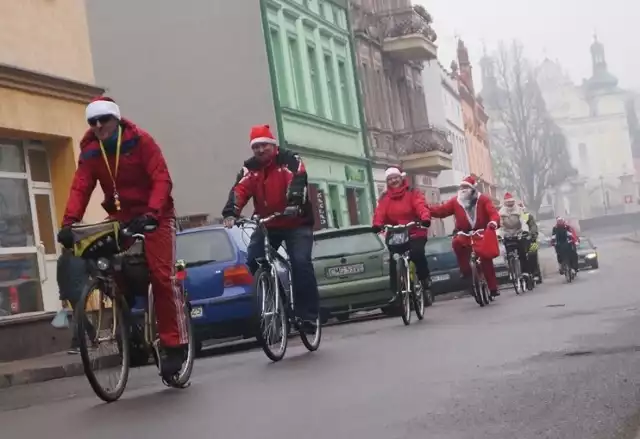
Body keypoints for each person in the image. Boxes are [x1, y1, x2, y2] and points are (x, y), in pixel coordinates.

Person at [56, 96, 188, 380]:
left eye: (104, 119)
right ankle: (130, 326)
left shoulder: (141, 142)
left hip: (157, 215)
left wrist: (153, 213)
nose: (99, 125)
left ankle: (174, 344)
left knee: (162, 275)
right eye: (93, 121)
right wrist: (69, 223)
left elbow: (162, 178)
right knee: (104, 266)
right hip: (120, 216)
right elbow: (81, 186)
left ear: (116, 119)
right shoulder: (91, 152)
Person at [221, 124, 319, 329]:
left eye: (264, 145)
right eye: (256, 147)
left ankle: (309, 314)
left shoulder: (290, 160)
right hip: (269, 223)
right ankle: (275, 297)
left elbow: (298, 180)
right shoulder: (250, 169)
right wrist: (231, 212)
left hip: (296, 221)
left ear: (273, 145)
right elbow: (240, 190)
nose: (260, 150)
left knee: (300, 263)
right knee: (254, 259)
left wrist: (294, 203)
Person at [430, 176, 501, 297]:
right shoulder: (455, 201)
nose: (463, 190)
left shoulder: (483, 200)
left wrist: (493, 222)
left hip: (480, 233)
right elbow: (442, 211)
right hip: (464, 233)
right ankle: (466, 271)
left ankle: (493, 287)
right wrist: (426, 210)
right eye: (461, 187)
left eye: (466, 187)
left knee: (485, 259)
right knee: (457, 243)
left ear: (472, 189)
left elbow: (493, 213)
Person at [371, 167, 433, 304]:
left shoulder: (412, 193)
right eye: (390, 179)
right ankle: (396, 291)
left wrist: (424, 218)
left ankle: (424, 278)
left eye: (396, 177)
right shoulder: (385, 198)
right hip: (396, 232)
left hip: (414, 230)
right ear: (387, 181)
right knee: (393, 261)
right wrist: (377, 224)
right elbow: (380, 213)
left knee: (417, 253)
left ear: (401, 178)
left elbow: (420, 206)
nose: (394, 181)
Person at [498, 193, 533, 280]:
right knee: (507, 254)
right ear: (505, 203)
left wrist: (525, 231)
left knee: (522, 253)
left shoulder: (519, 210)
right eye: (508, 202)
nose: (510, 204)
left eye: (512, 202)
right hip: (507, 234)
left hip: (518, 232)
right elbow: (500, 225)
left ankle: (525, 272)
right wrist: (499, 234)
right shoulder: (501, 213)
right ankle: (511, 270)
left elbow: (523, 221)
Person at [520, 202, 541, 281]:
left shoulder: (528, 216)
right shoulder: (515, 218)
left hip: (532, 239)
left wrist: (532, 234)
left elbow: (533, 226)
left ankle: (536, 273)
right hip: (521, 239)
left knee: (533, 253)